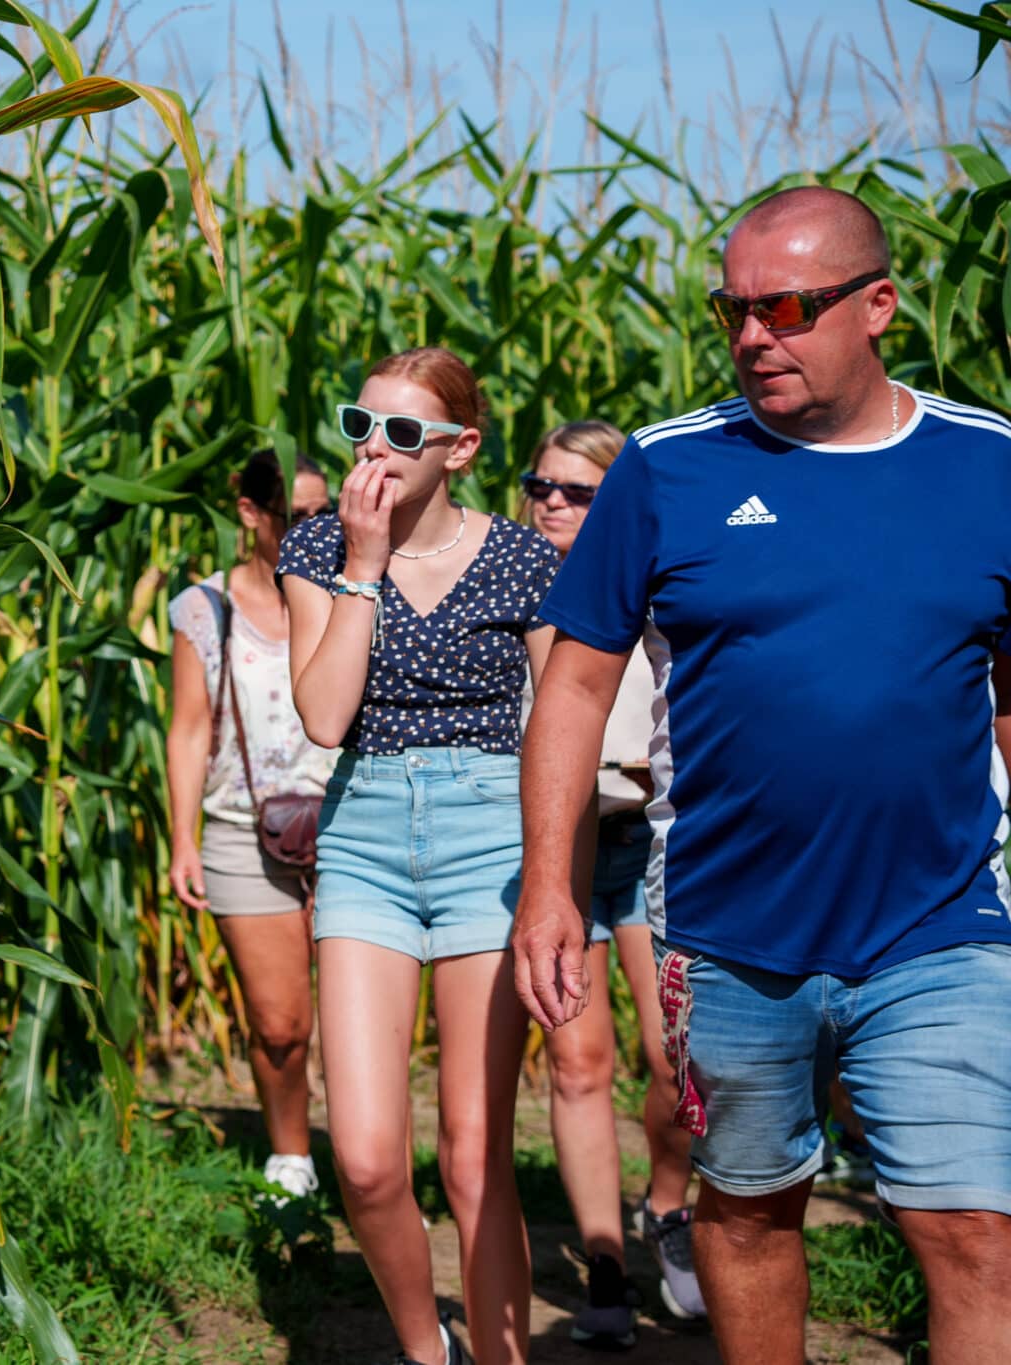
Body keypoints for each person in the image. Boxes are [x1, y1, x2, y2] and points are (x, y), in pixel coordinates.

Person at [514, 185, 1011, 1365]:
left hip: (941, 920)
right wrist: (547, 884)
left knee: (973, 1232)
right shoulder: (667, 470)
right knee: (743, 1214)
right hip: (723, 929)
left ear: (877, 304)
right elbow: (576, 687)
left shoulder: (985, 465)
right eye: (730, 310)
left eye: (784, 308)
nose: (750, 337)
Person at [280, 347, 563, 1365]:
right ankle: (421, 1348)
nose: (375, 451)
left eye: (403, 433)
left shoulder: (527, 563)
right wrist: (361, 568)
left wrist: (552, 878)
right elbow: (321, 715)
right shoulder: (316, 551)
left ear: (460, 450)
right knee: (360, 1158)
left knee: (476, 1160)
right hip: (362, 832)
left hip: (492, 830)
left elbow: (559, 731)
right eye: (363, 426)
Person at [520, 422, 704, 1347]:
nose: (553, 501)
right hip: (558, 851)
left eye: (577, 491)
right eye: (540, 485)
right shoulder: (512, 585)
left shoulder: (661, 576)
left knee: (677, 1058)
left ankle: (666, 1204)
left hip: (650, 839)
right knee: (576, 1060)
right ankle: (602, 1258)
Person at [167, 449, 336, 1201]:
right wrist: (181, 839)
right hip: (243, 827)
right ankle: (291, 1154)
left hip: (351, 828)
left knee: (360, 1018)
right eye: (295, 517)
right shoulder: (207, 608)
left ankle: (375, 1159)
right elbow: (189, 730)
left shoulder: (351, 593)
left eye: (322, 514)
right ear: (250, 514)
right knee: (279, 1021)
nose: (313, 529)